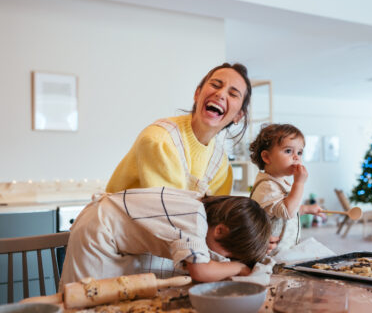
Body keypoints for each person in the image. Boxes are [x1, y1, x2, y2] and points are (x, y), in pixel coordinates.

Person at [60, 187, 271, 286]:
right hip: (98, 231)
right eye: (230, 254)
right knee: (87, 298)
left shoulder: (200, 208)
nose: (225, 259)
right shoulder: (195, 217)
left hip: (110, 233)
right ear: (220, 231)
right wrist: (239, 268)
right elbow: (200, 270)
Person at [106, 63, 252, 196]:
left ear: (238, 115)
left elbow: (214, 219)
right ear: (197, 93)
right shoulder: (159, 140)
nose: (220, 94)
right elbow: (167, 213)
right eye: (215, 85)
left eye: (233, 94)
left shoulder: (220, 165)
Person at [249, 124, 323, 253]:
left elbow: (285, 209)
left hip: (285, 250)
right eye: (288, 151)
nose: (296, 157)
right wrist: (299, 183)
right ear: (266, 157)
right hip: (270, 252)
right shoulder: (266, 186)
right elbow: (287, 212)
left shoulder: (281, 182)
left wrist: (306, 209)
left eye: (299, 152)